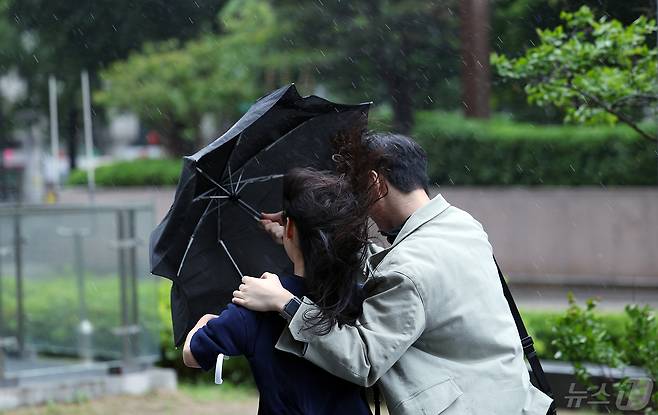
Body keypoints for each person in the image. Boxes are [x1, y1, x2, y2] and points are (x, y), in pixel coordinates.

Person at [233, 132, 554, 415]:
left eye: (357, 189)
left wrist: (286, 304)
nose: (357, 203)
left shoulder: (407, 269)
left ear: (376, 184)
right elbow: (398, 269)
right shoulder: (461, 224)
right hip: (511, 400)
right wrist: (306, 236)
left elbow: (362, 360)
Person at [182, 168, 371, 415]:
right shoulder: (363, 299)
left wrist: (205, 321)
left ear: (289, 228)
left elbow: (193, 354)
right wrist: (295, 233)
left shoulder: (256, 304)